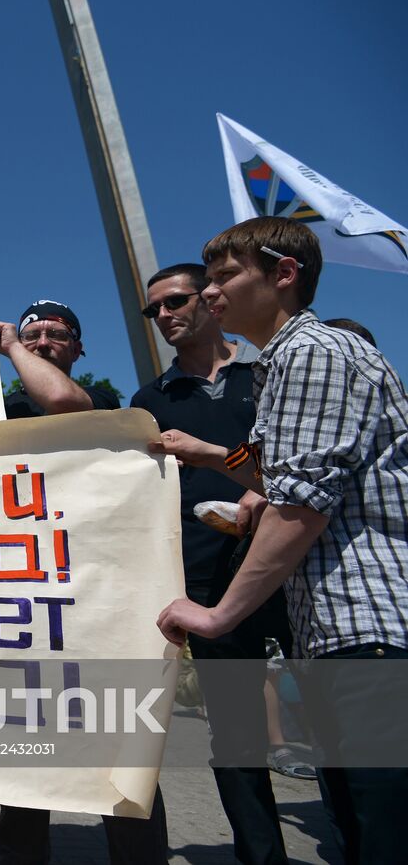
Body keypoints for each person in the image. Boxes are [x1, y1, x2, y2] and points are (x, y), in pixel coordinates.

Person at [155, 217, 408, 865]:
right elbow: (276, 470)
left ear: (284, 275)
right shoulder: (285, 362)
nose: (211, 293)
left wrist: (218, 614)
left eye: (224, 277)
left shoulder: (311, 352)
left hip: (370, 624)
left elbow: (298, 505)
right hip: (334, 626)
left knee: (386, 828)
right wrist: (210, 454)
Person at [0, 299, 167, 865]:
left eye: (55, 334)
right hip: (16, 596)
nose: (40, 342)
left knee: (118, 738)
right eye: (31, 333)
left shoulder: (103, 403)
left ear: (79, 349)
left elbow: (62, 401)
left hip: (94, 595)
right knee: (24, 740)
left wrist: (10, 343)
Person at [130, 264, 288, 865]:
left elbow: (290, 454)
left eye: (175, 301)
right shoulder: (150, 400)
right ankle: (261, 856)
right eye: (154, 310)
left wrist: (250, 478)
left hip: (299, 570)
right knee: (237, 734)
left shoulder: (269, 374)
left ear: (210, 299)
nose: (165, 315)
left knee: (336, 726)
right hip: (208, 583)